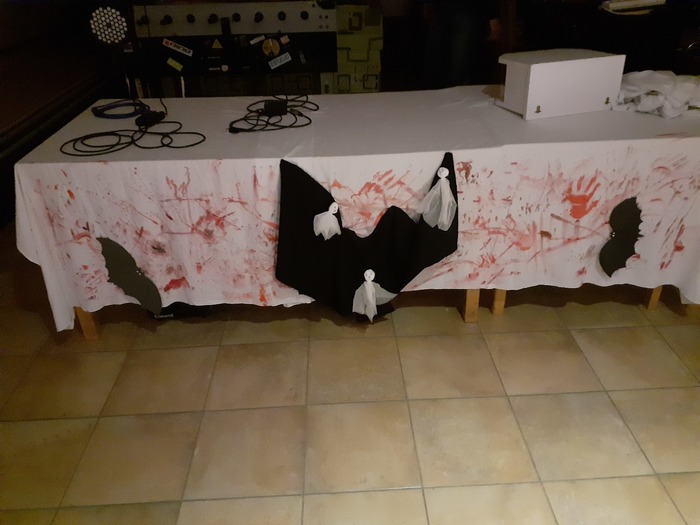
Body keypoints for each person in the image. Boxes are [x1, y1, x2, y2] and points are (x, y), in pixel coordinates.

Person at [422, 0, 502, 88]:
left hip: (440, 8)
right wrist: (493, 15)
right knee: (457, 70)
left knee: (436, 68)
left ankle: (434, 92)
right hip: (465, 9)